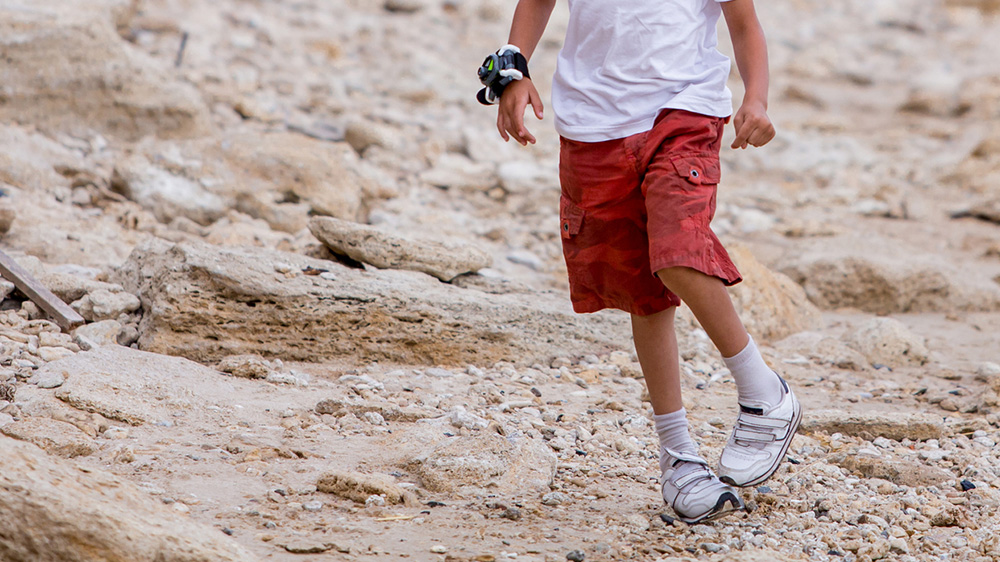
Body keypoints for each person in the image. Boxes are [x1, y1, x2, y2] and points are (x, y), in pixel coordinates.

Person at [484, 0, 802, 523]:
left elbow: (744, 23)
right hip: (593, 126)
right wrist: (512, 67)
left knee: (677, 250)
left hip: (684, 110)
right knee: (642, 294)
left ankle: (763, 392)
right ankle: (678, 459)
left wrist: (757, 98)